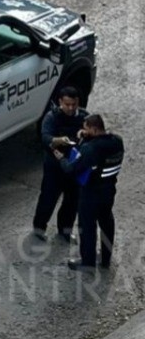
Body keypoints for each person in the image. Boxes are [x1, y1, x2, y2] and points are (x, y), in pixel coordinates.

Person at [55, 113, 123, 270]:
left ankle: (87, 261)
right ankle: (106, 258)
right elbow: (99, 154)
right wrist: (86, 137)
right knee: (106, 222)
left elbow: (72, 168)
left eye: (86, 128)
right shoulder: (117, 141)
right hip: (109, 190)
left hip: (91, 193)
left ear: (93, 129)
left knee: (87, 226)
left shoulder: (90, 148)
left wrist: (61, 158)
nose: (83, 130)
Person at [32, 87, 85, 243]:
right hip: (54, 166)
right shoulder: (52, 117)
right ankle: (39, 228)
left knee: (72, 201)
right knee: (48, 199)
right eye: (67, 104)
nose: (70, 108)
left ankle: (65, 231)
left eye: (74, 104)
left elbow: (92, 134)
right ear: (60, 102)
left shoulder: (84, 117)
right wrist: (59, 140)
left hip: (74, 166)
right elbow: (45, 137)